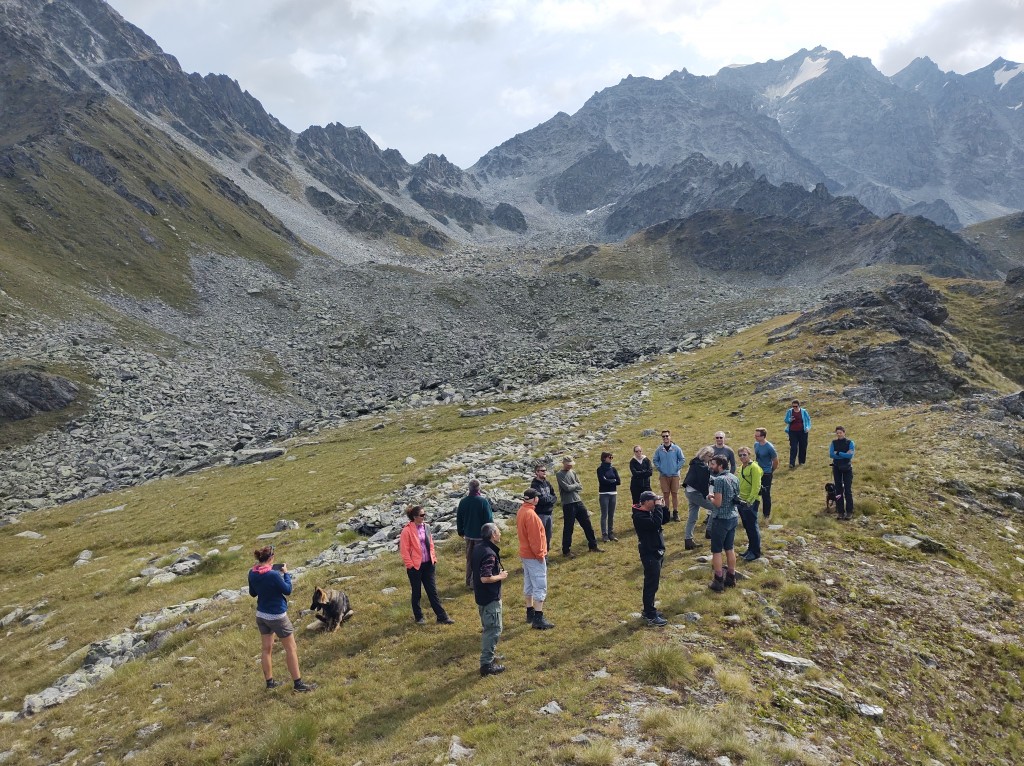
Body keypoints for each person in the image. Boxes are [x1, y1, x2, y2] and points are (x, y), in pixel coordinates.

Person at [248, 546, 316, 692]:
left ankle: (270, 683)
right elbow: (287, 590)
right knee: (291, 648)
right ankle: (298, 684)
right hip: (277, 616)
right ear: (271, 558)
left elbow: (253, 593)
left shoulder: (252, 572)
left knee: (266, 649)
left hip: (261, 615)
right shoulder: (272, 575)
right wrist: (285, 574)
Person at [399, 505, 455, 625]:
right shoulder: (406, 530)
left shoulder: (427, 527)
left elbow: (431, 544)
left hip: (428, 565)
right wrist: (410, 566)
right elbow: (404, 550)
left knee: (432, 592)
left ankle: (442, 617)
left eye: (425, 514)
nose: (424, 517)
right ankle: (419, 618)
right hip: (415, 567)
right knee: (417, 593)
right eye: (422, 515)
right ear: (414, 517)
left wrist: (433, 558)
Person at [474, 522, 508, 676]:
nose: (500, 534)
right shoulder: (489, 553)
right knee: (493, 630)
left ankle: (491, 656)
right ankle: (486, 665)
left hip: (481, 596)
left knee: (489, 628)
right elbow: (485, 578)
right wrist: (500, 576)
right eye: (498, 532)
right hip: (490, 598)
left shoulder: (478, 548)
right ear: (493, 535)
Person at [517, 489, 554, 629]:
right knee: (539, 583)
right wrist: (540, 555)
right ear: (534, 499)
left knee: (528, 582)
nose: (538, 499)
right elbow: (535, 539)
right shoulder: (531, 515)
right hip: (533, 555)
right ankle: (538, 617)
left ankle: (530, 611)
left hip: (525, 553)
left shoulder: (522, 510)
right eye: (537, 497)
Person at [631, 491, 668, 627]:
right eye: (653, 500)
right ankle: (650, 615)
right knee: (651, 584)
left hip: (657, 551)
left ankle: (650, 610)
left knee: (654, 583)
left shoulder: (650, 511)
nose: (655, 502)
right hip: (649, 552)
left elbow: (664, 520)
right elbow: (655, 524)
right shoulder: (639, 516)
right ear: (646, 502)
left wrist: (663, 507)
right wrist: (658, 508)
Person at [555, 456, 603, 557]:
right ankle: (566, 550)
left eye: (571, 464)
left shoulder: (573, 472)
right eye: (568, 464)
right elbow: (567, 488)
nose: (570, 466)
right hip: (568, 504)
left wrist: (574, 486)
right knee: (569, 527)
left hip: (578, 501)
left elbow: (580, 486)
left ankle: (593, 546)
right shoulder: (559, 474)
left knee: (587, 524)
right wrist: (575, 485)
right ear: (563, 463)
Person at [707, 455, 740, 592]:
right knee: (730, 548)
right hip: (733, 516)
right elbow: (734, 497)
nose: (711, 466)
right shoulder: (734, 477)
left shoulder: (719, 480)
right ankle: (731, 577)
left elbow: (718, 503)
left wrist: (710, 498)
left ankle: (718, 580)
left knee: (716, 551)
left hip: (721, 519)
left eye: (713, 464)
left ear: (720, 466)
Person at [456, 479, 494, 589]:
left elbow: (459, 518)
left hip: (468, 535)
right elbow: (489, 520)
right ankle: (476, 582)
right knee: (480, 559)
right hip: (481, 537)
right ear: (479, 488)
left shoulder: (463, 502)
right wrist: (490, 534)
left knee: (469, 559)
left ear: (469, 489)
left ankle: (468, 582)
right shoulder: (483, 501)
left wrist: (461, 531)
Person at [682, 445, 716, 551]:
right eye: (710, 456)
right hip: (695, 493)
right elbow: (703, 483)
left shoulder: (695, 462)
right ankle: (709, 532)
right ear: (704, 454)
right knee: (715, 508)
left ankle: (688, 541)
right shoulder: (703, 467)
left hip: (689, 491)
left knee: (693, 516)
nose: (711, 458)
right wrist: (708, 495)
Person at [736, 446, 764, 561]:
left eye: (744, 454)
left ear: (749, 455)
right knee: (747, 527)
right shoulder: (741, 467)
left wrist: (750, 501)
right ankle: (750, 549)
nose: (742, 457)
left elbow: (756, 486)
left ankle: (756, 552)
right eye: (740, 455)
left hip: (750, 502)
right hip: (741, 500)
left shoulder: (754, 467)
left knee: (752, 526)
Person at [652, 430, 685, 522]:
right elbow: (655, 460)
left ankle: (675, 512)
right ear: (662, 438)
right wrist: (660, 468)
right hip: (663, 475)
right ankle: (666, 513)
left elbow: (682, 459)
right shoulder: (659, 449)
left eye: (667, 436)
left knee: (674, 494)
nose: (665, 438)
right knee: (665, 494)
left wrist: (676, 468)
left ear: (670, 437)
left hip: (675, 475)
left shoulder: (676, 448)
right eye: (663, 436)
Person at [529, 463, 558, 550]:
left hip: (549, 513)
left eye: (545, 470)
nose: (544, 472)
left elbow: (555, 496)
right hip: (540, 514)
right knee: (541, 536)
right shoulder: (534, 485)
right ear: (536, 472)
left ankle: (546, 555)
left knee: (548, 536)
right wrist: (550, 499)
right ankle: (542, 557)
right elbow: (541, 500)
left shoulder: (547, 483)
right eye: (542, 471)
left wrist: (549, 499)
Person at [830, 426, 856, 520]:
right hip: (836, 468)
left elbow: (850, 455)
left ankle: (849, 511)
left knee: (848, 490)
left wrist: (839, 453)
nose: (839, 434)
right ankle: (840, 511)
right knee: (838, 490)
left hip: (847, 469)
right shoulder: (833, 443)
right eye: (837, 433)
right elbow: (831, 454)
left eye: (840, 432)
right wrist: (844, 454)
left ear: (844, 433)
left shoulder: (850, 442)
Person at [753, 428, 779, 519]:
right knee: (755, 491)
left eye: (757, 435)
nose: (755, 437)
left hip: (766, 473)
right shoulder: (756, 444)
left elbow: (775, 461)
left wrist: (771, 470)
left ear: (763, 436)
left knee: (765, 493)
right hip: (757, 472)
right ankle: (754, 512)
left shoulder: (769, 447)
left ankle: (766, 514)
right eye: (755, 435)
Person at [596, 451, 621, 542]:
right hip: (604, 494)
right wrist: (612, 481)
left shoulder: (613, 469)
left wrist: (609, 480)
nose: (611, 459)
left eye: (612, 457)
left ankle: (611, 533)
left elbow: (618, 481)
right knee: (604, 514)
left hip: (613, 493)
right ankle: (604, 534)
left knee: (611, 514)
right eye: (609, 457)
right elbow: (602, 481)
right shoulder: (600, 469)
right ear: (604, 458)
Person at [784, 400, 812, 468]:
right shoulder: (790, 411)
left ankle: (801, 462)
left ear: (799, 406)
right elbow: (786, 420)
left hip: (803, 432)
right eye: (793, 406)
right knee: (793, 447)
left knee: (803, 446)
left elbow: (808, 420)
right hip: (792, 432)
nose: (794, 407)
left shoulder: (804, 411)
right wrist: (790, 420)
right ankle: (792, 463)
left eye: (796, 406)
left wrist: (808, 427)